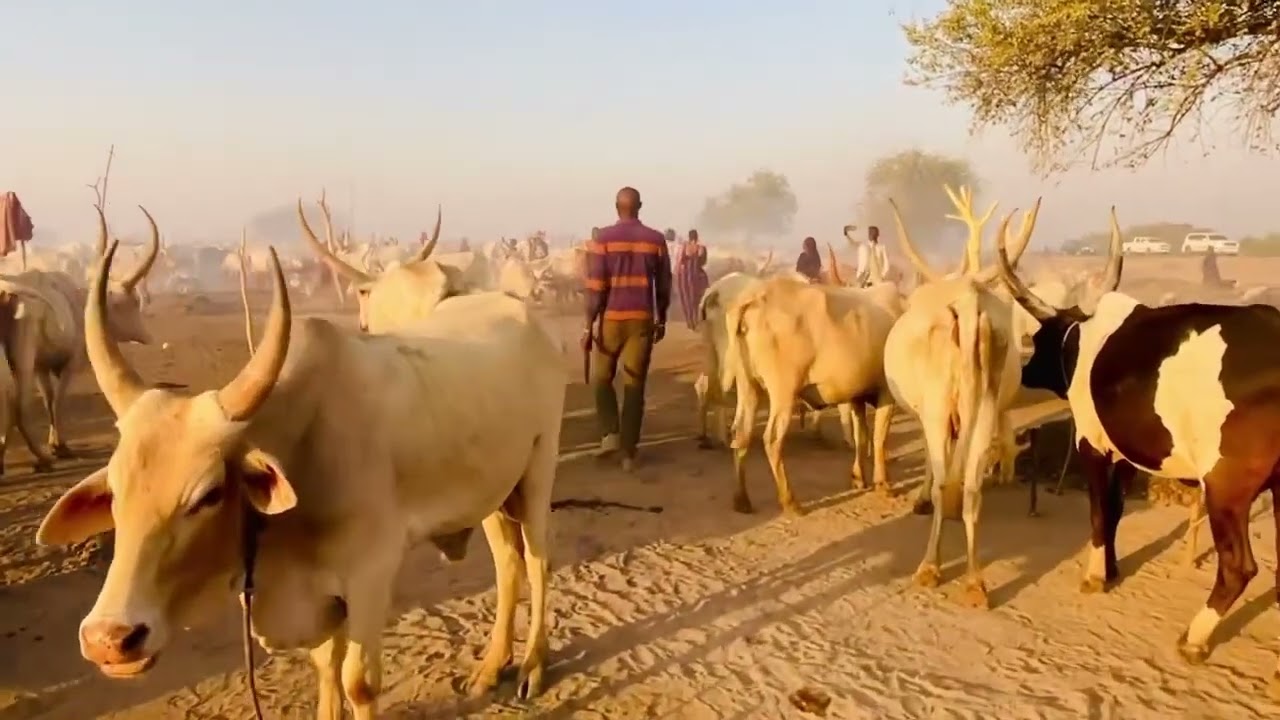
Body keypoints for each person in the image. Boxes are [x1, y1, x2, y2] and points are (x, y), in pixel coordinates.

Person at [584, 187, 672, 471]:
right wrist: (662, 318)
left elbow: (596, 286)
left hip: (611, 319)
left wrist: (589, 324)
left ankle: (610, 434)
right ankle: (628, 454)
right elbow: (664, 284)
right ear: (640, 206)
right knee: (635, 386)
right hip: (642, 320)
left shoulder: (604, 240)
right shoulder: (656, 240)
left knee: (601, 378)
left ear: (616, 207)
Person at [676, 229, 710, 330]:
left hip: (685, 275)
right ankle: (696, 320)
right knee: (697, 298)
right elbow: (704, 262)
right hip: (697, 275)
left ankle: (690, 321)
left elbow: (679, 261)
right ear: (697, 236)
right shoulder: (701, 248)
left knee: (686, 299)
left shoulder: (684, 246)